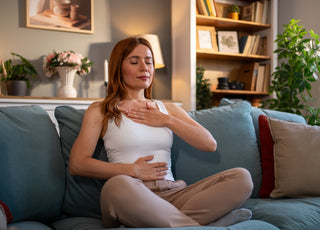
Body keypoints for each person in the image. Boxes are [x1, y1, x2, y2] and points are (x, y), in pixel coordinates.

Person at [69, 37, 253, 228]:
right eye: (134, 62)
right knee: (116, 186)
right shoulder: (101, 110)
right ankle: (203, 225)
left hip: (173, 193)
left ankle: (163, 223)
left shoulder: (168, 109)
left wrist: (166, 120)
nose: (144, 67)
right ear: (118, 67)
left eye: (149, 62)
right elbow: (77, 163)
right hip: (132, 193)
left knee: (241, 177)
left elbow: (209, 144)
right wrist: (132, 170)